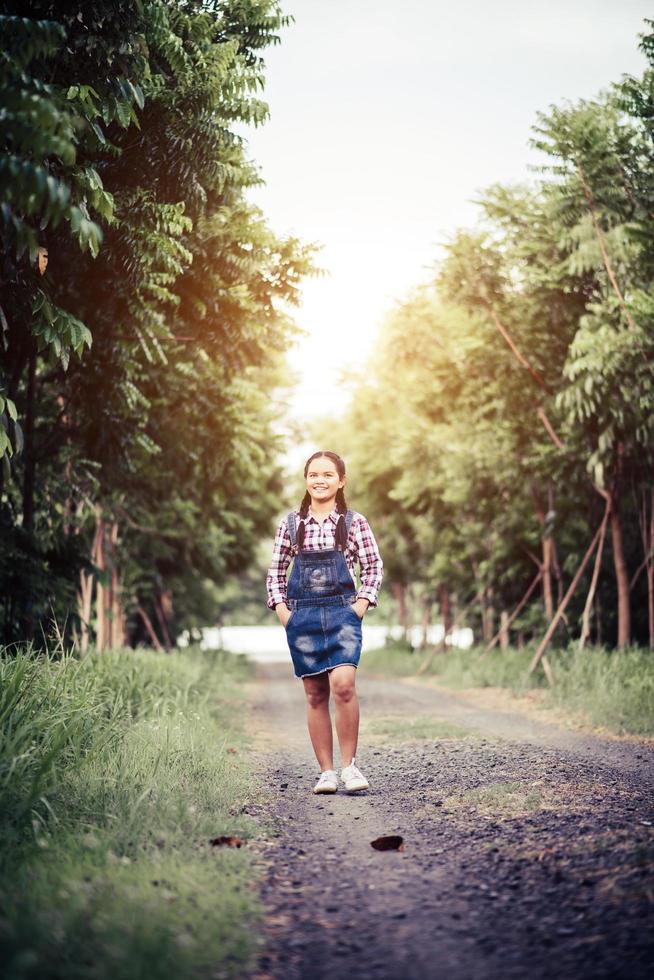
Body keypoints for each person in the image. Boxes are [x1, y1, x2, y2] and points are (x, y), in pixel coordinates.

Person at [266, 450, 384, 795]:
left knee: (344, 685)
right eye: (314, 474)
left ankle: (349, 767)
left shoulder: (354, 522)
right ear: (306, 480)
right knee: (315, 693)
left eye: (328, 475)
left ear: (341, 481)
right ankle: (326, 772)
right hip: (301, 614)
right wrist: (284, 612)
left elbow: (373, 567)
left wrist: (361, 604)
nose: (320, 480)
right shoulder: (291, 524)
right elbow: (275, 573)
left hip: (342, 613)